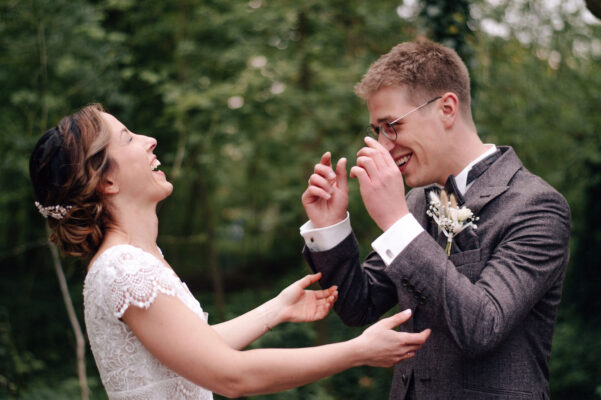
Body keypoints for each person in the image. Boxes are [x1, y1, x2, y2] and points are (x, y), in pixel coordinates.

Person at [29, 104, 431, 400]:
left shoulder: (132, 259)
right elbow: (231, 377)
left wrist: (276, 309)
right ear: (107, 181)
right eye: (129, 138)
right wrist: (357, 351)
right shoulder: (123, 268)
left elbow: (194, 348)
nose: (150, 140)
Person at [300, 38, 570, 399]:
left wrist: (396, 223)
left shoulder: (536, 206)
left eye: (391, 125)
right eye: (377, 129)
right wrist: (331, 226)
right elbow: (359, 305)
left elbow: (482, 327)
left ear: (446, 108)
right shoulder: (415, 202)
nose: (382, 144)